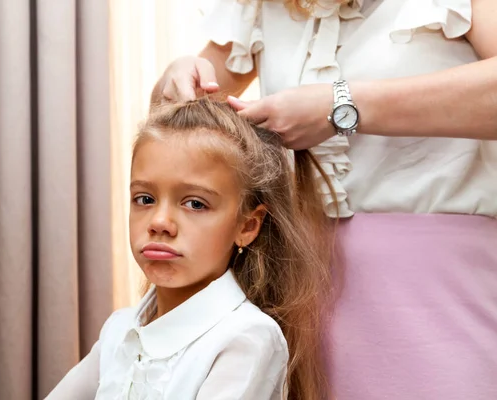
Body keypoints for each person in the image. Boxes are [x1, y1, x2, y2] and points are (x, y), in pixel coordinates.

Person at [151, 0, 497, 399]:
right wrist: (176, 80)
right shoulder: (262, 7)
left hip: (444, 291)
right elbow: (182, 128)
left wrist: (342, 104)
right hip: (302, 290)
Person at [45, 98, 337, 400]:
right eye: (145, 199)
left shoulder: (246, 339)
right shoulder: (118, 330)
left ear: (247, 227)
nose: (159, 222)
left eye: (195, 204)